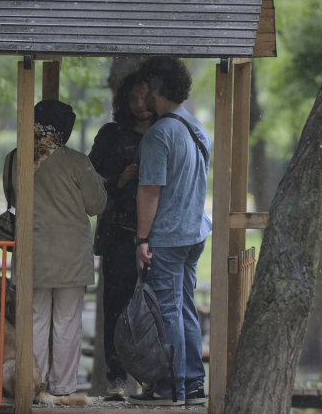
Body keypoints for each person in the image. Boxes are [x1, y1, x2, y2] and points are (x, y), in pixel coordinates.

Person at [2, 100, 107, 396]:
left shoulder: (14, 158)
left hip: (32, 252)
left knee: (34, 320)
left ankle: (34, 386)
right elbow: (96, 205)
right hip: (70, 256)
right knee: (67, 323)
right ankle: (62, 388)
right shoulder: (76, 161)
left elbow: (11, 197)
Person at [129, 56, 211, 406]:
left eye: (145, 89)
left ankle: (169, 388)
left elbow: (150, 191)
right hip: (194, 232)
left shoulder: (160, 134)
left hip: (167, 236)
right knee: (186, 309)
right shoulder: (195, 126)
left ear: (157, 90)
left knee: (166, 312)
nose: (141, 96)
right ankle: (192, 384)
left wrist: (142, 239)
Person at [88, 72, 156, 400]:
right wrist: (119, 178)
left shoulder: (166, 130)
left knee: (154, 307)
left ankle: (151, 377)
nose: (140, 105)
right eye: (133, 98)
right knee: (115, 307)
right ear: (123, 101)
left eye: (145, 96)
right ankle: (116, 380)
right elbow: (90, 177)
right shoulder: (111, 135)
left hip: (158, 236)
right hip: (118, 233)